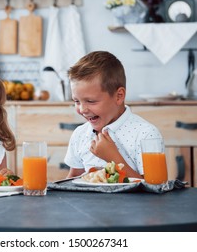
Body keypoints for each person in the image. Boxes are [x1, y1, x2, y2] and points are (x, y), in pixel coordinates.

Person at [64, 51, 163, 179]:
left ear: (119, 96)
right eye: (76, 101)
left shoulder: (146, 135)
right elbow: (73, 179)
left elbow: (154, 189)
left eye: (91, 101)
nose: (82, 109)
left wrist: (113, 158)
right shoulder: (80, 134)